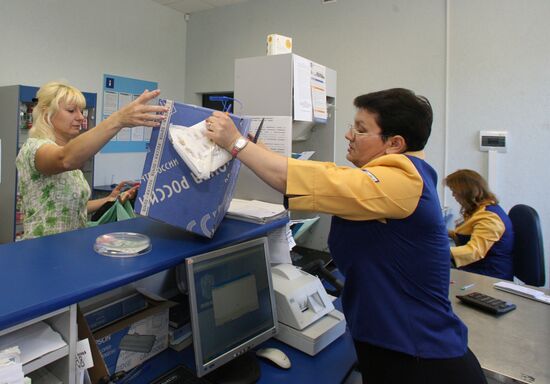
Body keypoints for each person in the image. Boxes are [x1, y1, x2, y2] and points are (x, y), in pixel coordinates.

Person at [205, 88, 487, 384]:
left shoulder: (401, 179)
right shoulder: (401, 175)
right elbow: (324, 176)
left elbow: (297, 178)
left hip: (420, 362)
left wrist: (234, 142)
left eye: (361, 129)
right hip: (395, 346)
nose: (349, 135)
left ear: (394, 143)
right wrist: (258, 149)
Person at [16, 81, 167, 239]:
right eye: (71, 110)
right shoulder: (33, 148)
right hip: (43, 248)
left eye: (81, 111)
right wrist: (118, 119)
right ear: (47, 113)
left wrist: (109, 200)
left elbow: (73, 207)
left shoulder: (69, 156)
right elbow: (64, 159)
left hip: (70, 247)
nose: (81, 117)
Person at [445, 169, 514, 280]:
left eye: (455, 191)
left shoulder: (490, 218)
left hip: (490, 277)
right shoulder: (481, 209)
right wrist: (444, 232)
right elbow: (469, 234)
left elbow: (473, 251)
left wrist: (437, 250)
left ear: (467, 192)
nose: (453, 195)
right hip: (476, 269)